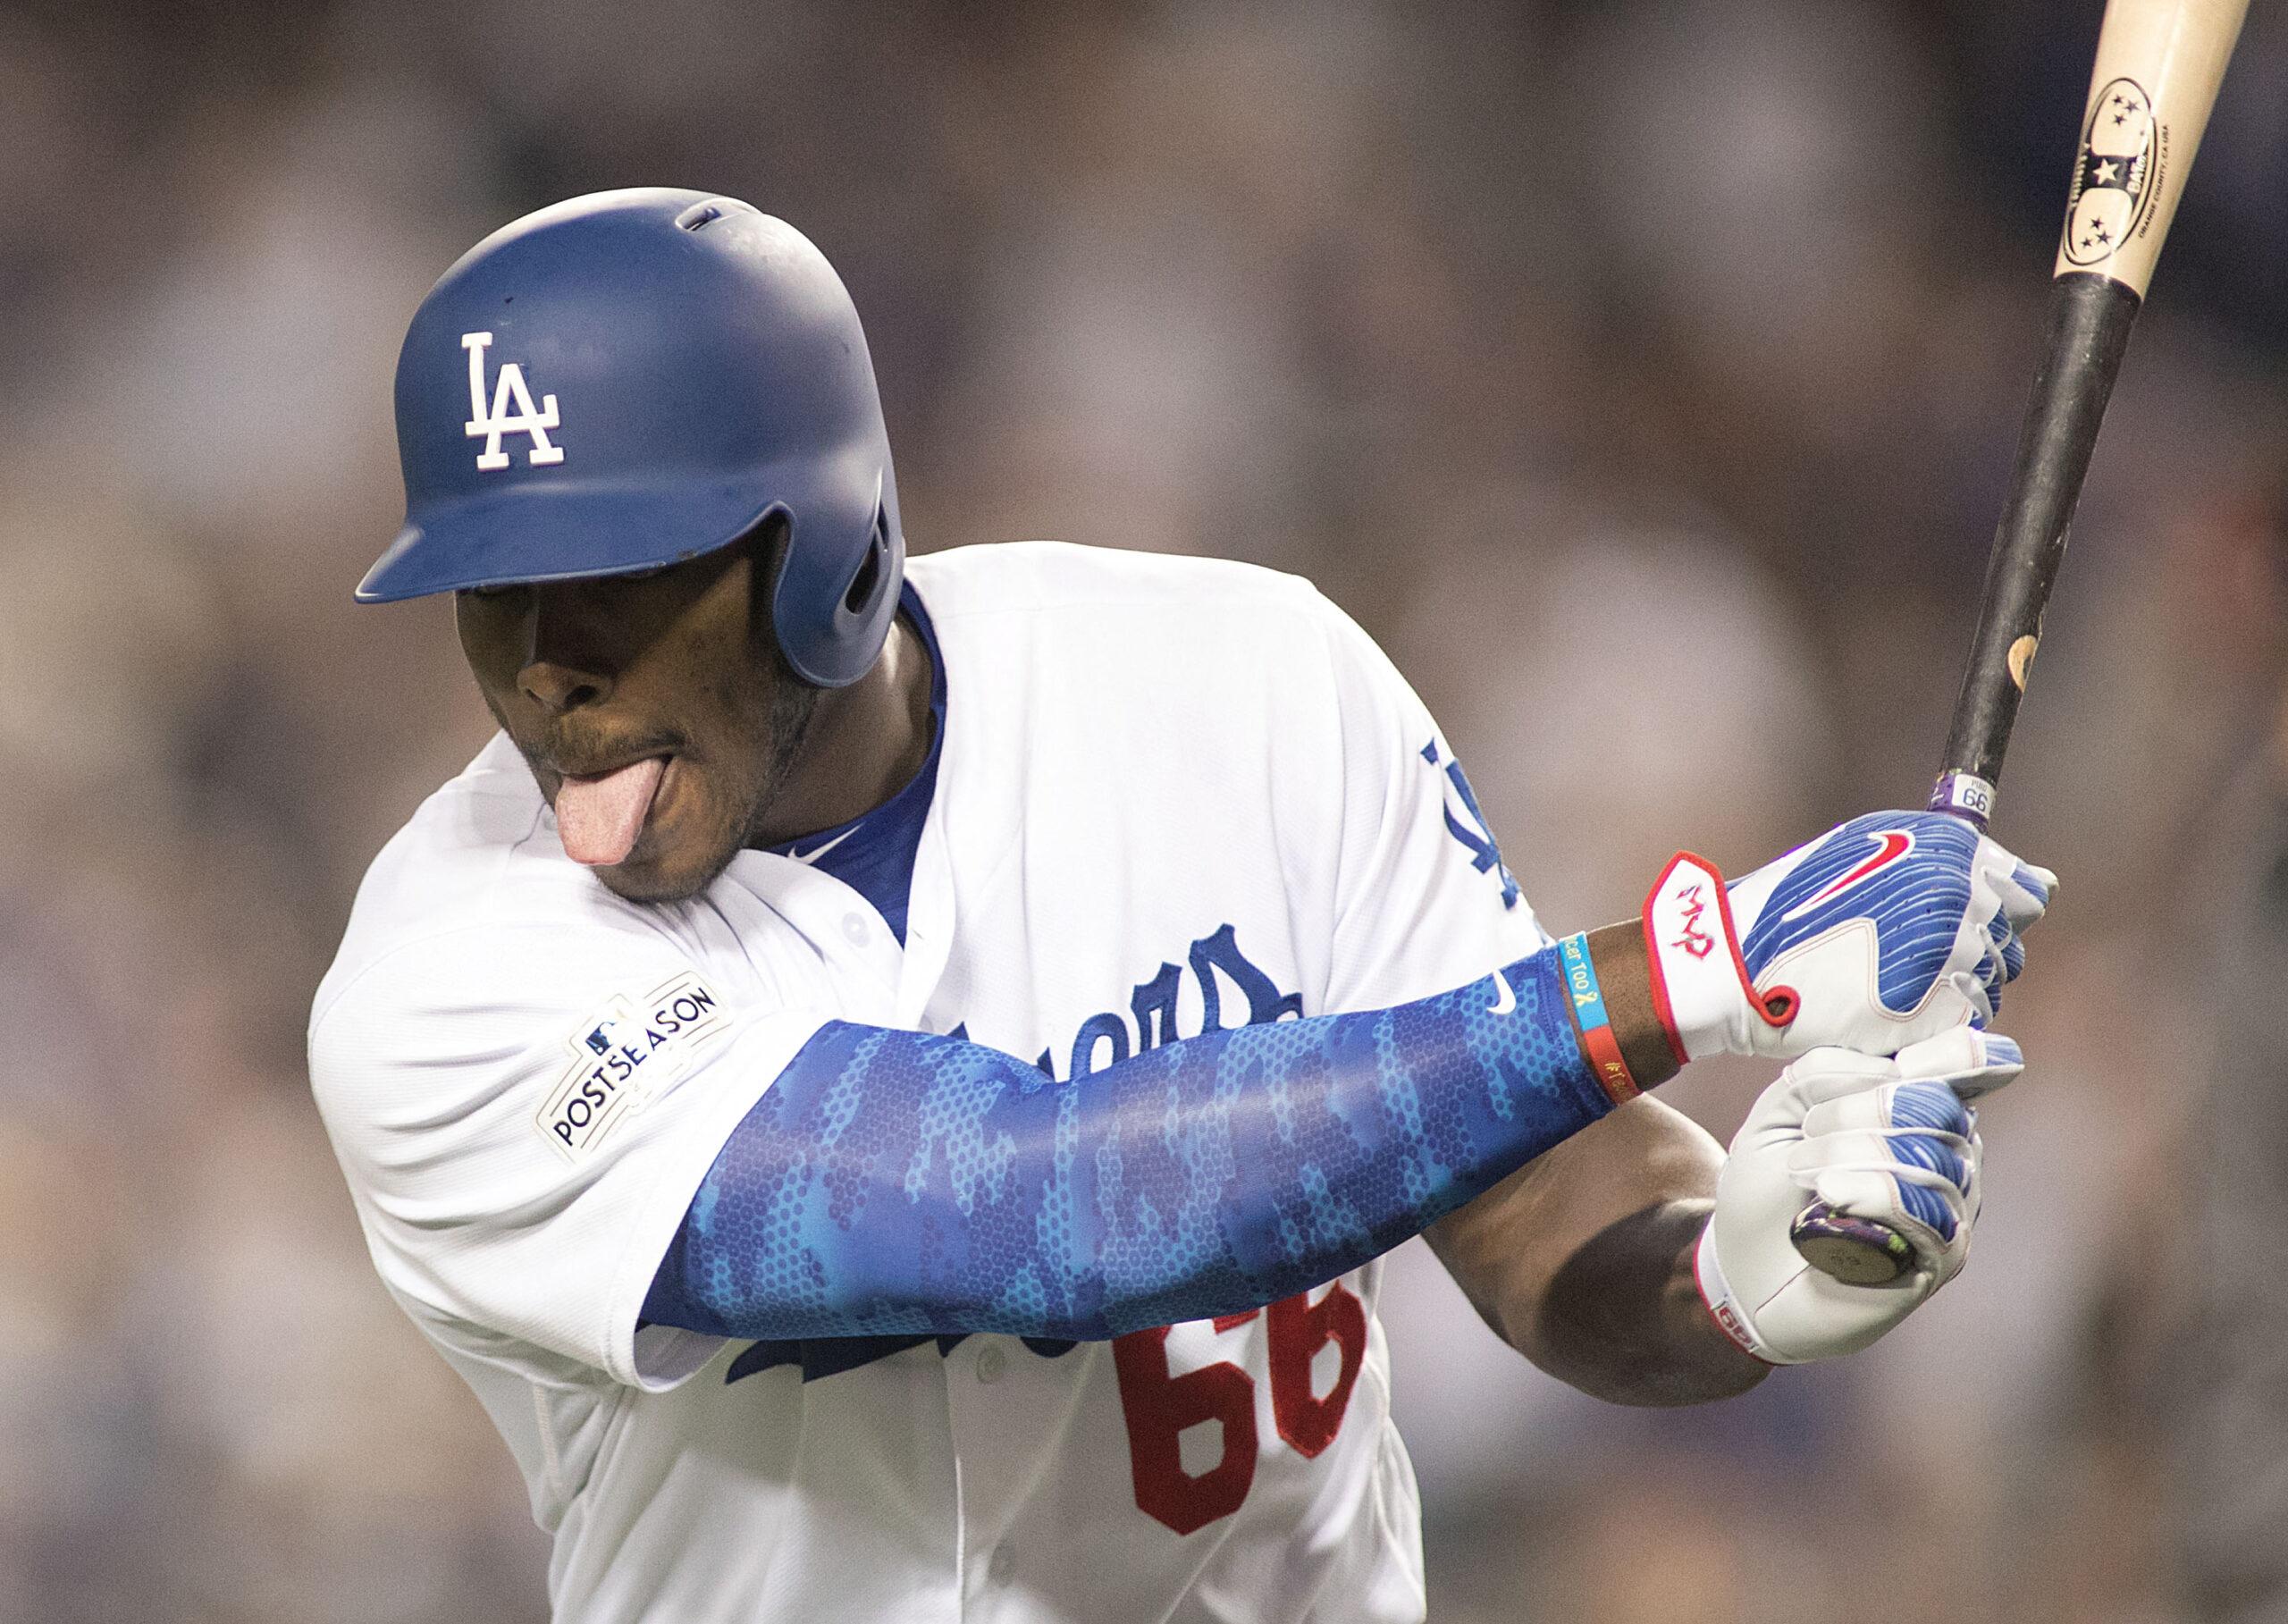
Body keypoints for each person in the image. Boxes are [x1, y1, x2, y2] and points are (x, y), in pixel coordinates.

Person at [310, 189, 2054, 1624]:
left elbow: (1541, 1199)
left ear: (822, 536)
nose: (546, 669)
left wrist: (1740, 1276)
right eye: (490, 591)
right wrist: (1703, 964)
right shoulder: (446, 982)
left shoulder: (1245, 684)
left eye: (613, 579)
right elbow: (1032, 1207)